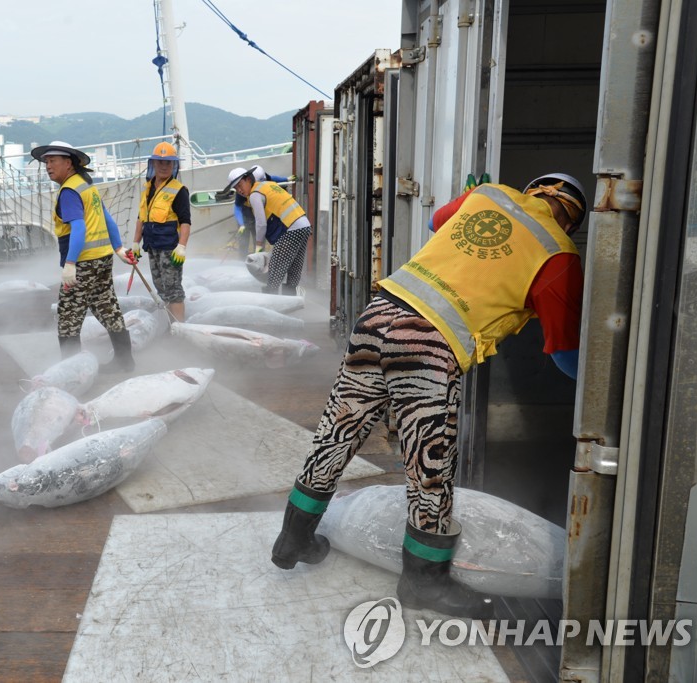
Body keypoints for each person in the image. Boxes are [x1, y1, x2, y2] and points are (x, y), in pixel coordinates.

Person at [270, 172, 587, 619]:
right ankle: (424, 581)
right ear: (572, 222)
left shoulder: (489, 195)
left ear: (531, 190)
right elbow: (565, 354)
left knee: (337, 431)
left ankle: (293, 539)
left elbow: (441, 221)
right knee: (429, 463)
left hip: (377, 313)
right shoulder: (559, 253)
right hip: (426, 342)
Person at [31, 140, 137, 370]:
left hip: (83, 263)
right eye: (46, 162)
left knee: (68, 316)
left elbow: (78, 228)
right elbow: (106, 218)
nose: (48, 166)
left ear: (68, 163)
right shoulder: (86, 185)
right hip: (102, 258)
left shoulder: (69, 191)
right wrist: (118, 249)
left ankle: (72, 371)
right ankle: (125, 361)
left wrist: (70, 264)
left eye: (52, 161)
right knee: (107, 307)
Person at [223, 166, 311, 295]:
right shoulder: (268, 185)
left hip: (291, 228)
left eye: (240, 185)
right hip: (304, 225)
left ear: (248, 179)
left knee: (274, 271)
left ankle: (272, 305)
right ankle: (290, 300)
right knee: (294, 267)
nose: (239, 190)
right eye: (236, 188)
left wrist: (258, 246)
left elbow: (261, 223)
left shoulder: (255, 195)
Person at [131, 141, 190, 323]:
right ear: (153, 164)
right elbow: (142, 216)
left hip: (169, 248)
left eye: (168, 163)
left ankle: (179, 329)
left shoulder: (179, 190)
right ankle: (169, 324)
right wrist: (135, 243)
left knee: (173, 289)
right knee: (160, 287)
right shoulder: (148, 188)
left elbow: (186, 221)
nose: (164, 166)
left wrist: (181, 246)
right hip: (152, 247)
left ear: (173, 165)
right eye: (160, 162)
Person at [231, 165, 288, 256]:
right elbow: (237, 208)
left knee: (258, 240)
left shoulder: (265, 182)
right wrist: (241, 224)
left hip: (257, 218)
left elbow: (261, 224)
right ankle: (242, 262)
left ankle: (258, 261)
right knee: (243, 242)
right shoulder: (243, 192)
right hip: (245, 217)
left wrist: (287, 179)